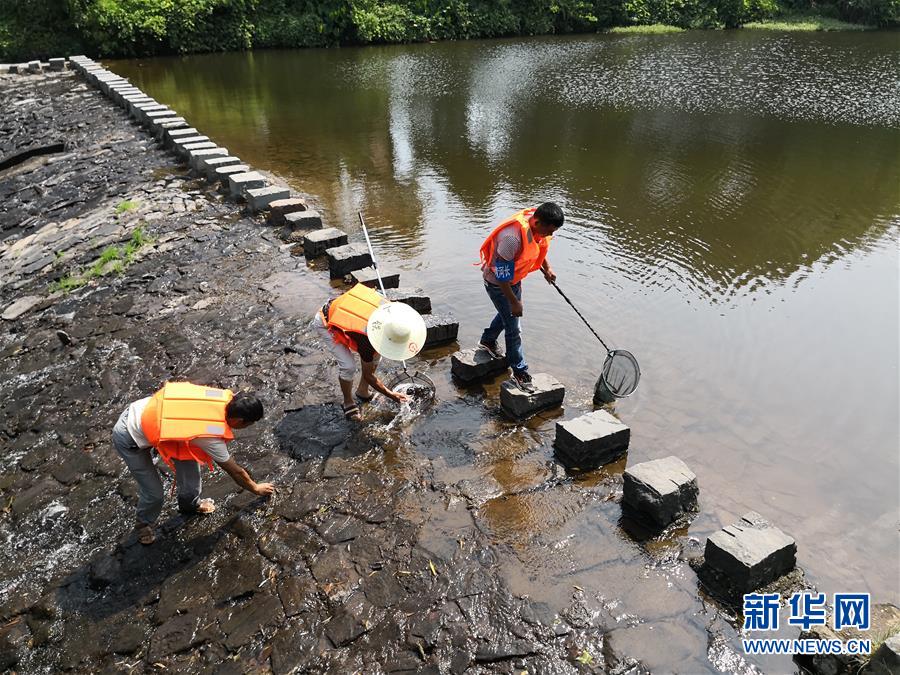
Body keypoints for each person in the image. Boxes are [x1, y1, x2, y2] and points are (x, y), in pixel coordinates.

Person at [111, 382, 275, 545]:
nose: (249, 427)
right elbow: (235, 472)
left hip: (158, 417)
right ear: (239, 421)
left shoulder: (222, 397)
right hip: (129, 435)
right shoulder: (210, 436)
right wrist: (255, 488)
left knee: (190, 468)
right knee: (154, 493)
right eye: (250, 423)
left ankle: (190, 505)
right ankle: (143, 524)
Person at [478, 202, 565, 392]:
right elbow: (501, 274)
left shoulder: (539, 227)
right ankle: (519, 371)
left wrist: (547, 269)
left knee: (506, 316)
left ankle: (488, 340)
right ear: (537, 222)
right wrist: (514, 301)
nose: (550, 235)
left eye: (553, 232)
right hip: (497, 283)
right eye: (548, 231)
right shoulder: (512, 239)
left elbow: (538, 245)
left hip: (514, 279)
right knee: (514, 327)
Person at [314, 282, 426, 420]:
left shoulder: (394, 313)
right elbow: (369, 375)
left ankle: (362, 391)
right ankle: (348, 401)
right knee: (348, 366)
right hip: (326, 321)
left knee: (376, 357)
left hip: (347, 309)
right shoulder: (367, 339)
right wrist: (391, 394)